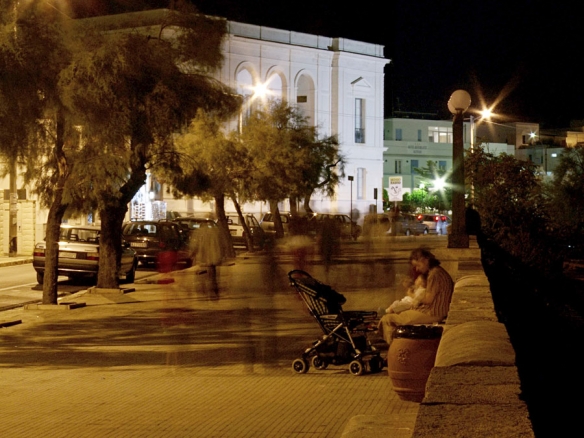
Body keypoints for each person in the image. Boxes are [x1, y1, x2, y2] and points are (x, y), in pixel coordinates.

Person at [377, 248, 454, 345]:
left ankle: (394, 350)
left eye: (418, 265)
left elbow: (428, 299)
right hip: (429, 311)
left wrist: (413, 294)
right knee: (395, 313)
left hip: (432, 313)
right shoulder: (436, 272)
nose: (417, 269)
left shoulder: (435, 274)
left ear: (424, 260)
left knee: (388, 319)